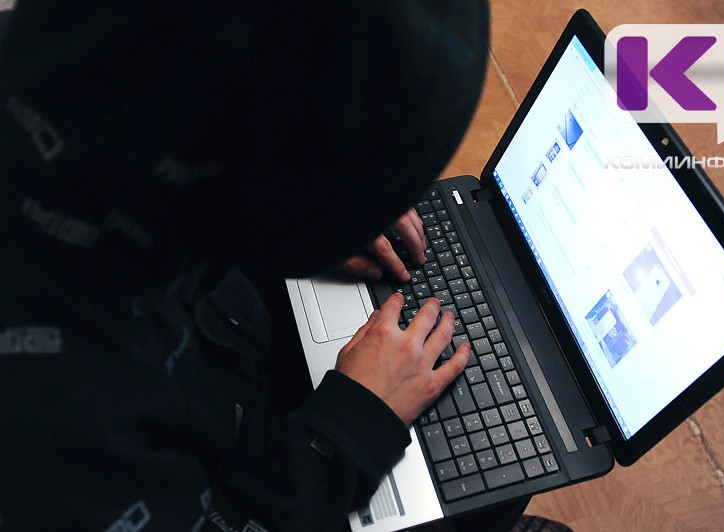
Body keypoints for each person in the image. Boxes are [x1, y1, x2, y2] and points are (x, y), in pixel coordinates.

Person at [0, 1, 534, 531]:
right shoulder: (59, 430)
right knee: (489, 491)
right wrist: (350, 427)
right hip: (244, 470)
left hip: (219, 350)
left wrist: (326, 207)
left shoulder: (73, 62)